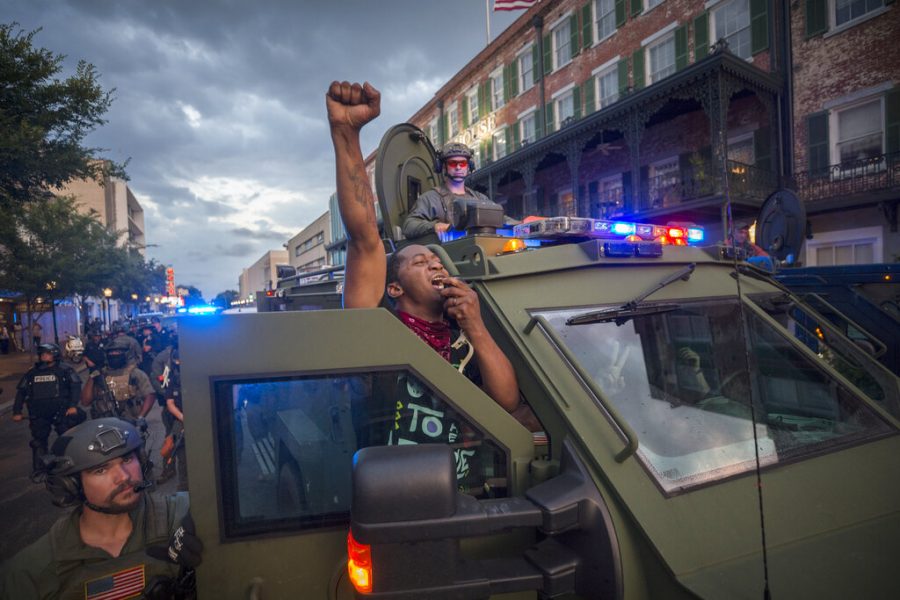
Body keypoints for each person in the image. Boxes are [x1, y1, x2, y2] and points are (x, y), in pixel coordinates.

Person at [326, 81, 521, 415]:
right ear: (394, 286)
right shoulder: (382, 334)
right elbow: (364, 237)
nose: (436, 264)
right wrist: (346, 134)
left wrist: (475, 325)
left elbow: (506, 402)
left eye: (437, 261)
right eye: (420, 260)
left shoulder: (462, 339)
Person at [0, 418, 202, 599]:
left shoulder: (185, 513)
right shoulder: (29, 572)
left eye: (127, 459)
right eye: (101, 470)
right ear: (72, 486)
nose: (123, 476)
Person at [401, 141, 504, 245]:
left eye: (462, 163)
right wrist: (434, 226)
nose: (458, 167)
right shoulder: (431, 199)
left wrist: (519, 223)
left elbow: (499, 217)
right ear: (444, 167)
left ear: (469, 166)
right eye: (453, 163)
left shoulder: (479, 198)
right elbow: (409, 225)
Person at [12, 343, 86, 482]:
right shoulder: (32, 372)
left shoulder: (65, 370)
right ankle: (40, 470)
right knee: (38, 441)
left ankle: (71, 465)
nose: (44, 356)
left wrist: (73, 406)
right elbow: (21, 392)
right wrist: (17, 411)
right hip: (39, 413)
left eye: (47, 353)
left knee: (66, 438)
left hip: (62, 411)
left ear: (55, 354)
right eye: (42, 354)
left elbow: (75, 387)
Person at [81, 340, 156, 420]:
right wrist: (92, 377)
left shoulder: (135, 373)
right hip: (105, 422)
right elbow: (85, 401)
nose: (114, 355)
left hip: (131, 420)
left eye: (118, 352)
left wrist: (140, 417)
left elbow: (150, 395)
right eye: (111, 353)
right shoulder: (99, 375)